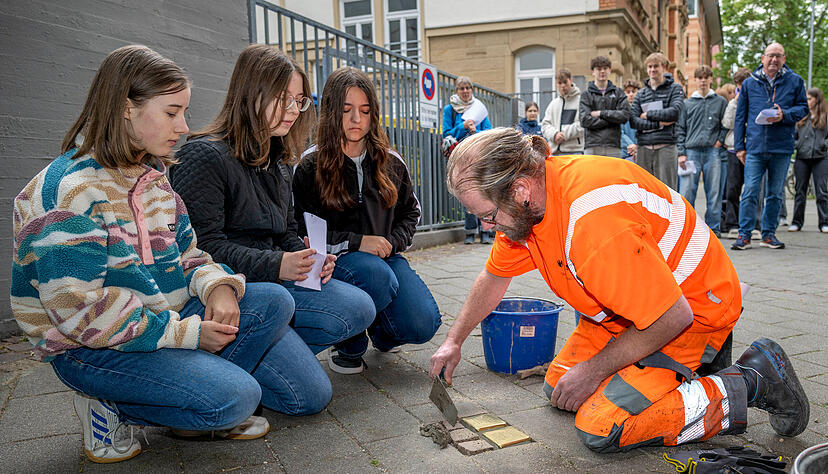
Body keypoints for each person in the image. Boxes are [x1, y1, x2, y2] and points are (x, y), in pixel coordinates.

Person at [10, 45, 327, 464]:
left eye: (184, 112)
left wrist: (218, 288)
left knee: (275, 301)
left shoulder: (155, 181)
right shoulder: (69, 195)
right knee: (237, 398)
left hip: (161, 321)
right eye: (172, 112)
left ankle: (186, 397)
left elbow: (191, 254)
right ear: (127, 108)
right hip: (90, 347)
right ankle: (112, 405)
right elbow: (79, 315)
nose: (183, 126)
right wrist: (187, 335)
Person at [430, 128, 809, 453]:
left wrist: (594, 372)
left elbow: (672, 316)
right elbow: (494, 276)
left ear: (521, 190)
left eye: (488, 216)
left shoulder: (593, 227)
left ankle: (753, 380)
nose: (486, 226)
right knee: (559, 387)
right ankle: (681, 375)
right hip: (627, 311)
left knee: (602, 427)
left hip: (690, 314)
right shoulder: (533, 203)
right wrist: (454, 341)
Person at [171, 46, 375, 376]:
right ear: (252, 92)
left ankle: (265, 350)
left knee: (359, 307)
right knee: (309, 398)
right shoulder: (205, 155)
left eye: (300, 100)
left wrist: (309, 258)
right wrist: (279, 263)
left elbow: (285, 232)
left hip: (274, 284)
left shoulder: (278, 161)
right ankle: (220, 364)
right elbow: (200, 248)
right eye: (284, 98)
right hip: (230, 289)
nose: (294, 109)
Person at [292, 67, 442, 373]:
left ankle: (382, 330)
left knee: (423, 323)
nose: (356, 120)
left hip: (385, 260)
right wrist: (359, 242)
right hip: (335, 263)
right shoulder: (309, 166)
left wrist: (390, 243)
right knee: (376, 276)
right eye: (346, 110)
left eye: (364, 110)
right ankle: (349, 342)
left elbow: (411, 213)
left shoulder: (391, 162)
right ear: (331, 112)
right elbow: (300, 230)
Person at [732, 43, 809, 250]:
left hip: (781, 148)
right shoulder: (749, 84)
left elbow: (803, 109)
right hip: (755, 148)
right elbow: (740, 118)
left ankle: (768, 234)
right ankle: (745, 234)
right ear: (762, 58)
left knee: (774, 193)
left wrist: (785, 115)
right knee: (750, 191)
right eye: (770, 56)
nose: (774, 60)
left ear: (784, 59)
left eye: (778, 56)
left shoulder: (795, 81)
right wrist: (740, 147)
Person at [442, 76, 493, 244]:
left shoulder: (479, 108)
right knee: (467, 193)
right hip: (461, 155)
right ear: (456, 91)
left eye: (468, 88)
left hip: (478, 154)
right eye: (461, 88)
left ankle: (486, 231)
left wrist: (474, 131)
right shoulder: (450, 110)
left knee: (484, 191)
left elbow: (488, 132)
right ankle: (470, 231)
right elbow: (446, 133)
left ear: (472, 90)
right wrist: (462, 127)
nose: (465, 91)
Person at [677, 66, 728, 236]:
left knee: (714, 192)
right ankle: (687, 227)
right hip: (691, 152)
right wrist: (681, 152)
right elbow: (680, 128)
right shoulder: (687, 103)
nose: (703, 81)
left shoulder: (720, 102)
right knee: (686, 192)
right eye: (700, 78)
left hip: (712, 152)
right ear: (695, 81)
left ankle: (713, 228)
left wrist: (720, 141)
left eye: (706, 77)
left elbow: (726, 124)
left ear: (711, 79)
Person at [630, 52, 686, 190]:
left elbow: (674, 113)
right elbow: (634, 121)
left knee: (667, 191)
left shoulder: (675, 89)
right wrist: (659, 123)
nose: (652, 70)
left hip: (666, 148)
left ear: (664, 68)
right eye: (649, 67)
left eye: (656, 66)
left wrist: (648, 115)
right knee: (644, 192)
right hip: (644, 149)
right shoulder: (641, 94)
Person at [721, 68, 754, 237]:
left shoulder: (755, 99)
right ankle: (732, 222)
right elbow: (727, 123)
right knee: (732, 187)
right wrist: (735, 103)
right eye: (738, 85)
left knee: (752, 188)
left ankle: (753, 223)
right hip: (734, 147)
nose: (740, 88)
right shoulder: (732, 102)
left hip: (752, 148)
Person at [790, 87, 828, 232]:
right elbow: (793, 136)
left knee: (822, 191)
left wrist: (824, 145)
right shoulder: (801, 117)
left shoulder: (825, 117)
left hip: (821, 158)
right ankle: (797, 222)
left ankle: (824, 222)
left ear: (817, 100)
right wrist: (797, 145)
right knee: (800, 191)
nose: (807, 101)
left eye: (809, 98)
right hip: (802, 157)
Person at [579, 56, 631, 157]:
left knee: (613, 173)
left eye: (605, 68)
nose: (602, 71)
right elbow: (584, 120)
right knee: (592, 173)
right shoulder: (586, 95)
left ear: (610, 70)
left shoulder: (618, 93)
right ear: (592, 71)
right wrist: (612, 120)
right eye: (598, 69)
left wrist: (601, 113)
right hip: (592, 146)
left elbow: (625, 115)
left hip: (613, 145)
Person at [541, 68, 584, 155]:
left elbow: (583, 124)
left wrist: (563, 134)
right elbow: (545, 125)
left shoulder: (581, 101)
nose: (563, 86)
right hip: (555, 152)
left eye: (565, 82)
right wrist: (554, 134)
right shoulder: (553, 104)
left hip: (574, 151)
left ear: (571, 80)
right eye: (560, 83)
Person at [621, 80, 641, 161]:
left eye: (633, 91)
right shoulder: (620, 112)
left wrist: (638, 146)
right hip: (626, 153)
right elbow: (620, 133)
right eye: (628, 92)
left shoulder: (643, 111)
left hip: (641, 151)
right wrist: (631, 145)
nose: (631, 94)